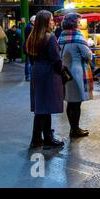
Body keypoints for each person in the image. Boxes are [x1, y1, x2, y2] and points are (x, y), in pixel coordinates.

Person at [26, 10, 64, 149]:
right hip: (48, 73)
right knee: (46, 106)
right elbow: (56, 59)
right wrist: (62, 73)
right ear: (46, 22)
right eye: (52, 19)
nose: (53, 22)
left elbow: (30, 58)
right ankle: (47, 138)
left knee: (41, 107)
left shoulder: (32, 36)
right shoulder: (50, 37)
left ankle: (37, 139)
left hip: (36, 71)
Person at [58, 13, 93, 138]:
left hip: (64, 72)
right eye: (78, 22)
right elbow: (88, 55)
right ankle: (75, 129)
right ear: (74, 23)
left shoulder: (61, 37)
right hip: (77, 72)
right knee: (76, 103)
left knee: (70, 101)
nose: (80, 24)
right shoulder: (78, 37)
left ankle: (73, 128)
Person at [24, 16, 35, 81]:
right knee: (29, 62)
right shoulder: (31, 27)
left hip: (28, 45)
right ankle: (28, 75)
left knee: (28, 61)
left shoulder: (28, 26)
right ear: (33, 21)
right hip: (29, 46)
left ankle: (28, 75)